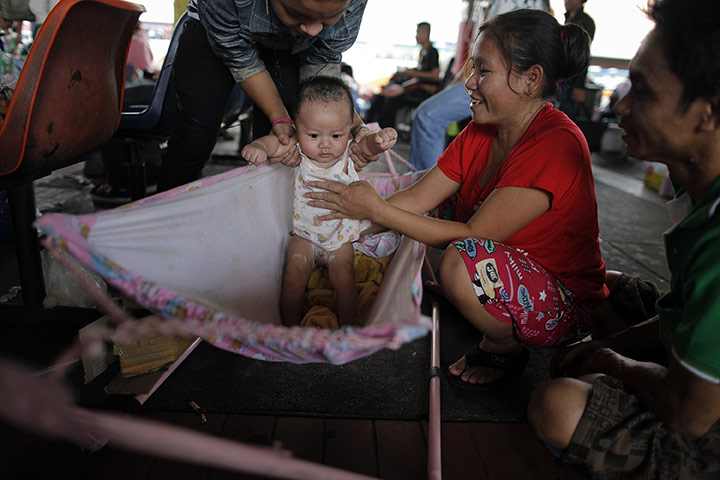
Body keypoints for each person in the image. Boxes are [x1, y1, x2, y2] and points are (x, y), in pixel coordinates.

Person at [306, 9, 607, 389]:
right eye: (471, 68)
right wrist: (336, 227)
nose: (469, 83)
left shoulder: (556, 142)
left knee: (459, 262)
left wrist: (374, 210)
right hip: (508, 265)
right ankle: (484, 305)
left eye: (483, 71)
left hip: (562, 301)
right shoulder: (480, 132)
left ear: (531, 79)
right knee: (420, 192)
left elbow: (472, 233)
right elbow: (417, 198)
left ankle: (504, 345)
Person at [527, 0, 720, 477]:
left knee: (557, 405)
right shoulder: (695, 186)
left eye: (643, 91)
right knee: (603, 286)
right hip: (699, 363)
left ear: (708, 114)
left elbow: (690, 412)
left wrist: (613, 361)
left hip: (701, 412)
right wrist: (618, 349)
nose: (621, 104)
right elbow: (685, 313)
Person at [157, 0, 378, 193]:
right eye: (296, 13)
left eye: (329, 16)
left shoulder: (343, 11)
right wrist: (279, 116)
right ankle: (164, 219)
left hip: (291, 48)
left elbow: (320, 63)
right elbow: (241, 60)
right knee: (195, 135)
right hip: (217, 32)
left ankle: (277, 220)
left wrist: (349, 123)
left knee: (289, 141)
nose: (312, 30)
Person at [241, 76, 397, 327]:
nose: (325, 144)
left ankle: (347, 328)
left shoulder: (348, 152)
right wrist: (260, 146)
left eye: (336, 135)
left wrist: (378, 140)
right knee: (294, 275)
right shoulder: (297, 151)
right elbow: (274, 145)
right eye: (313, 134)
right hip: (304, 236)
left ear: (349, 128)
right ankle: (290, 328)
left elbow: (367, 144)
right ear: (296, 127)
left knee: (345, 278)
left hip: (340, 237)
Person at [408, 0, 550, 171]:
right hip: (495, 75)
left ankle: (422, 183)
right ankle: (421, 183)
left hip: (504, 79)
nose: (470, 83)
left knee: (428, 116)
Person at [364, 22, 439, 129]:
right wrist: (407, 71)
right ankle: (370, 125)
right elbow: (421, 71)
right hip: (415, 85)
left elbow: (435, 75)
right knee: (380, 95)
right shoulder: (423, 51)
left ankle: (386, 129)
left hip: (423, 89)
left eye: (418, 32)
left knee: (391, 98)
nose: (416, 36)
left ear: (425, 34)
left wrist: (411, 73)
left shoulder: (432, 52)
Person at [557, 0, 595, 120]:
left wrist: (580, 85)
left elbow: (582, 54)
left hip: (572, 79)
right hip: (562, 75)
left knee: (565, 114)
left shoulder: (585, 22)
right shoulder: (568, 18)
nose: (566, 1)